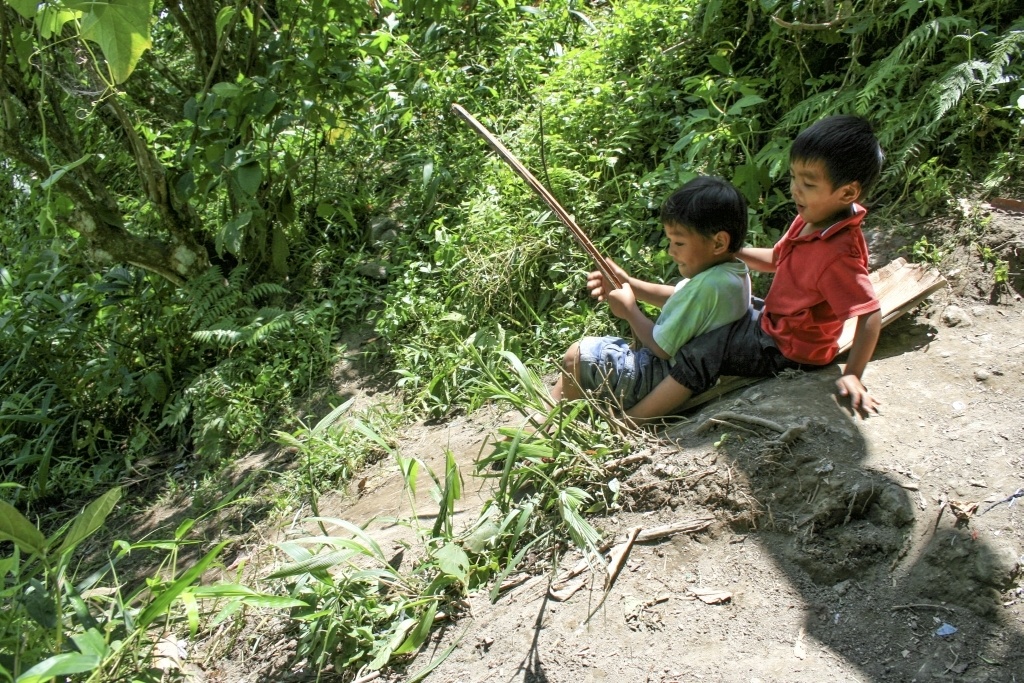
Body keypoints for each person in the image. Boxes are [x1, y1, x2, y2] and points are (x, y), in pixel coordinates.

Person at [600, 114, 885, 423]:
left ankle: (635, 420)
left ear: (846, 193)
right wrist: (730, 252)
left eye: (808, 184)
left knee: (706, 349)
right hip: (775, 322)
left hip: (789, 348)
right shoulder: (811, 219)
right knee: (712, 303)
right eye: (793, 177)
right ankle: (635, 290)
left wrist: (854, 374)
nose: (795, 190)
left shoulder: (839, 254)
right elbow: (778, 258)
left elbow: (869, 313)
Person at [551, 176, 752, 411]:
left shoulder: (709, 286)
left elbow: (661, 348)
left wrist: (630, 311)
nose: (670, 251)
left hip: (659, 376)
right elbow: (677, 297)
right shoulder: (730, 273)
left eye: (678, 243)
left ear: (718, 243)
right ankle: (559, 411)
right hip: (683, 374)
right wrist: (630, 284)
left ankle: (550, 421)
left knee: (577, 356)